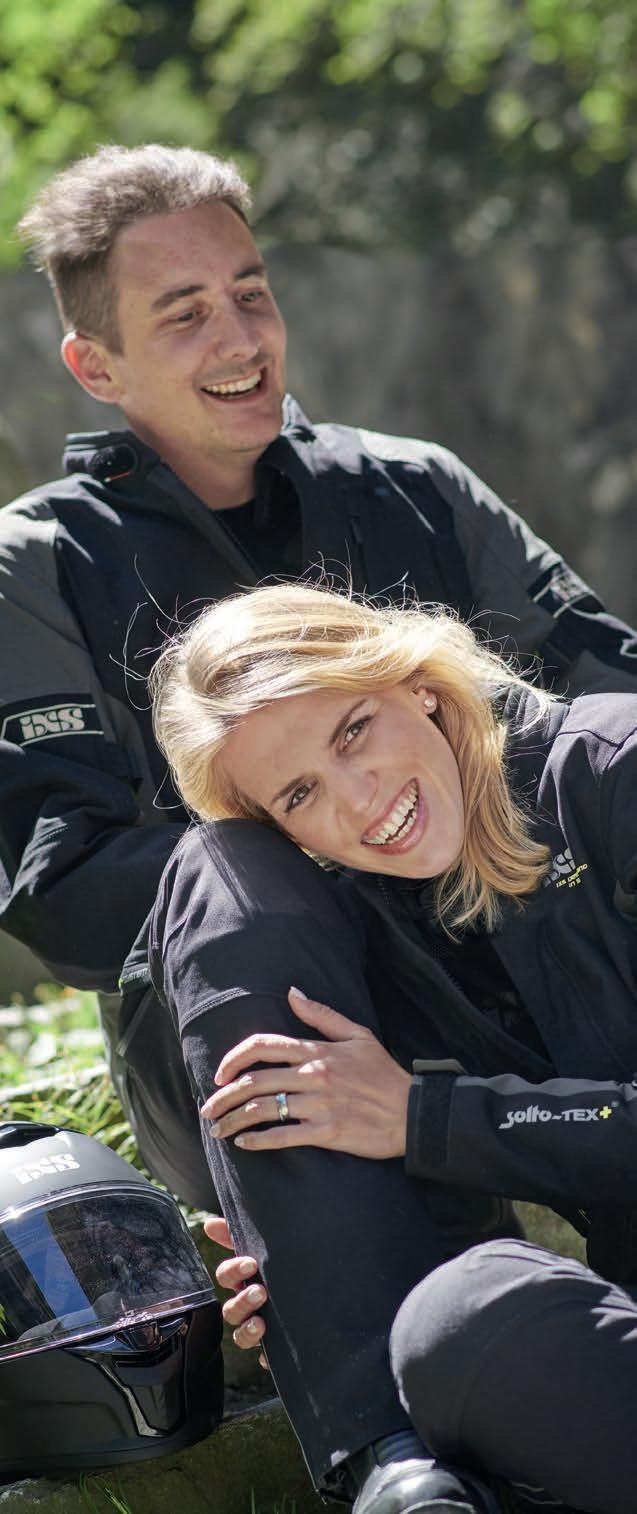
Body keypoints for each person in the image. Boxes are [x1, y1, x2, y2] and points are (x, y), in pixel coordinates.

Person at [1, 141, 636, 1512]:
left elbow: (595, 701)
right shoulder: (36, 563)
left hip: (518, 957)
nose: (239, 338)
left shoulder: (415, 485)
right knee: (231, 868)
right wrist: (339, 839)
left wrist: (430, 832)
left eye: (251, 291)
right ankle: (384, 1455)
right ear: (95, 364)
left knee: (480, 1326)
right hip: (245, 999)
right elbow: (63, 892)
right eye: (184, 314)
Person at [148, 581, 637, 1514]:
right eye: (300, 794)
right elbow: (450, 1241)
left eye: (352, 732)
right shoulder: (381, 924)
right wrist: (307, 1270)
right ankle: (400, 1478)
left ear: (416, 684)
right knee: (467, 1323)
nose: (360, 800)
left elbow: (447, 1125)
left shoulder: (614, 769)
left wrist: (426, 1117)